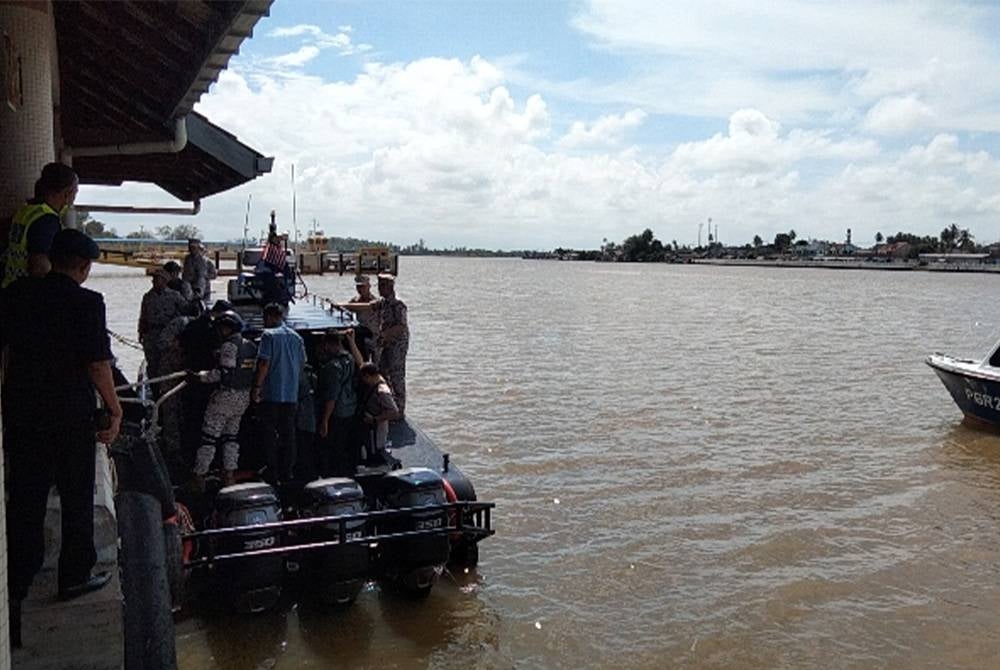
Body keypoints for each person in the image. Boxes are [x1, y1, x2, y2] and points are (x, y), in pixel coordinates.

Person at [0, 229, 122, 647]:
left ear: (51, 258)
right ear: (85, 268)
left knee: (26, 500)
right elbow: (97, 363)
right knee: (76, 497)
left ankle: (15, 584)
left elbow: (5, 353)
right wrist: (115, 406)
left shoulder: (17, 295)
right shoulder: (88, 303)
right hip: (69, 417)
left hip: (21, 413)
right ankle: (74, 576)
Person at [192, 311, 256, 489]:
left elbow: (224, 374)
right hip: (243, 398)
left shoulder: (229, 346)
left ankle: (200, 475)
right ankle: (229, 474)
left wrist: (200, 377)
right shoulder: (250, 347)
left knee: (209, 437)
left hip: (225, 397)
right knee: (231, 437)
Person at [339, 273, 409, 415]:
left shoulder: (398, 304)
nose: (379, 289)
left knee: (396, 375)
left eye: (382, 286)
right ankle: (387, 402)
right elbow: (365, 307)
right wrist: (339, 305)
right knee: (382, 372)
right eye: (379, 286)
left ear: (389, 287)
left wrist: (384, 335)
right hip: (384, 343)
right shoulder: (383, 302)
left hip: (396, 345)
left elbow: (401, 326)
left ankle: (399, 410)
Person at [253, 302, 306, 484]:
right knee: (288, 434)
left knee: (269, 433)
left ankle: (271, 469)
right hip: (291, 394)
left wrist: (257, 387)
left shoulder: (268, 336)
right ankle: (288, 470)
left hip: (272, 393)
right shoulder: (297, 338)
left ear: (269, 317)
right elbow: (301, 366)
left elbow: (263, 364)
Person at [2, 162, 78, 288]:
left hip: (11, 287)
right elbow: (40, 266)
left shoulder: (26, 211)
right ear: (67, 194)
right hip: (27, 294)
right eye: (75, 192)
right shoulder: (46, 220)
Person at [315, 330, 359, 477]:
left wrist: (324, 421)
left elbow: (331, 397)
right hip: (350, 408)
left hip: (336, 411)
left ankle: (330, 474)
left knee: (330, 445)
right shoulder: (350, 359)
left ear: (328, 344)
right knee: (343, 443)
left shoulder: (333, 367)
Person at [137, 268, 186, 380]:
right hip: (151, 334)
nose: (153, 281)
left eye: (156, 279)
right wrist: (140, 332)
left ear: (164, 281)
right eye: (153, 279)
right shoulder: (147, 297)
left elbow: (185, 311)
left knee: (167, 363)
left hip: (167, 334)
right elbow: (143, 315)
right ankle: (154, 389)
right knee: (152, 364)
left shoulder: (175, 296)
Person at [357, 362, 401, 464]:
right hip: (369, 430)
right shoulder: (375, 382)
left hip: (376, 433)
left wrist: (374, 419)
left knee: (375, 457)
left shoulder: (381, 391)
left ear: (368, 376)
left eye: (363, 378)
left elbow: (394, 412)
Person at [348, 275, 380, 361]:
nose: (360, 289)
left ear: (369, 286)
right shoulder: (354, 301)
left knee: (377, 363)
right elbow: (346, 311)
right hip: (362, 336)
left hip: (375, 336)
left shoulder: (375, 301)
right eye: (358, 287)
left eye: (362, 286)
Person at [182, 237, 211, 303]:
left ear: (198, 248)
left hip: (201, 288)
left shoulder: (205, 260)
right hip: (188, 286)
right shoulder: (187, 259)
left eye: (193, 247)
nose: (191, 249)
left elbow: (214, 274)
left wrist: (205, 276)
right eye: (190, 247)